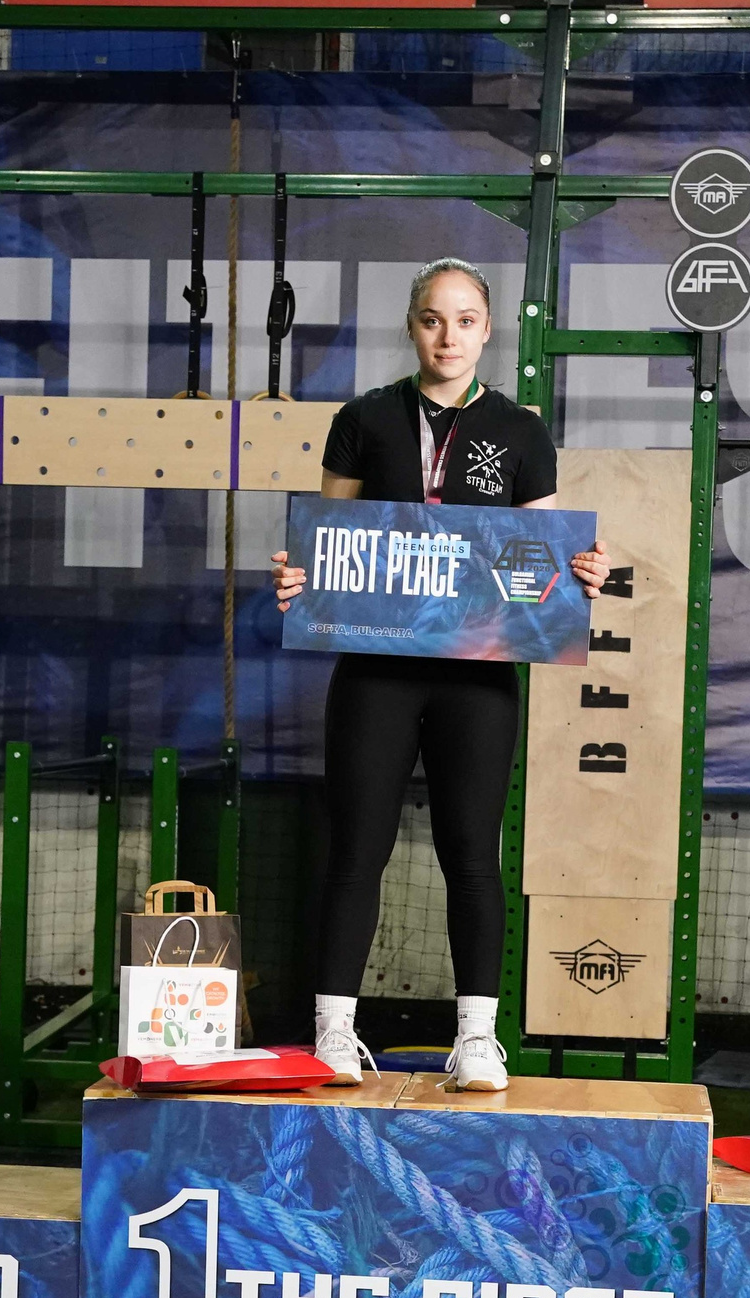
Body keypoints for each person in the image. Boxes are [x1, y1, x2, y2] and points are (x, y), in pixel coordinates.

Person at [271, 258, 610, 1092]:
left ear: (487, 330)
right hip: (377, 670)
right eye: (432, 318)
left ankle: (477, 1040)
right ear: (412, 325)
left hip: (477, 673)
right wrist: (298, 575)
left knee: (472, 852)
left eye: (464, 320)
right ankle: (334, 1034)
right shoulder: (363, 419)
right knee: (357, 848)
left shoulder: (522, 433)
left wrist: (582, 573)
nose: (447, 335)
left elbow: (544, 557)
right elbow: (329, 540)